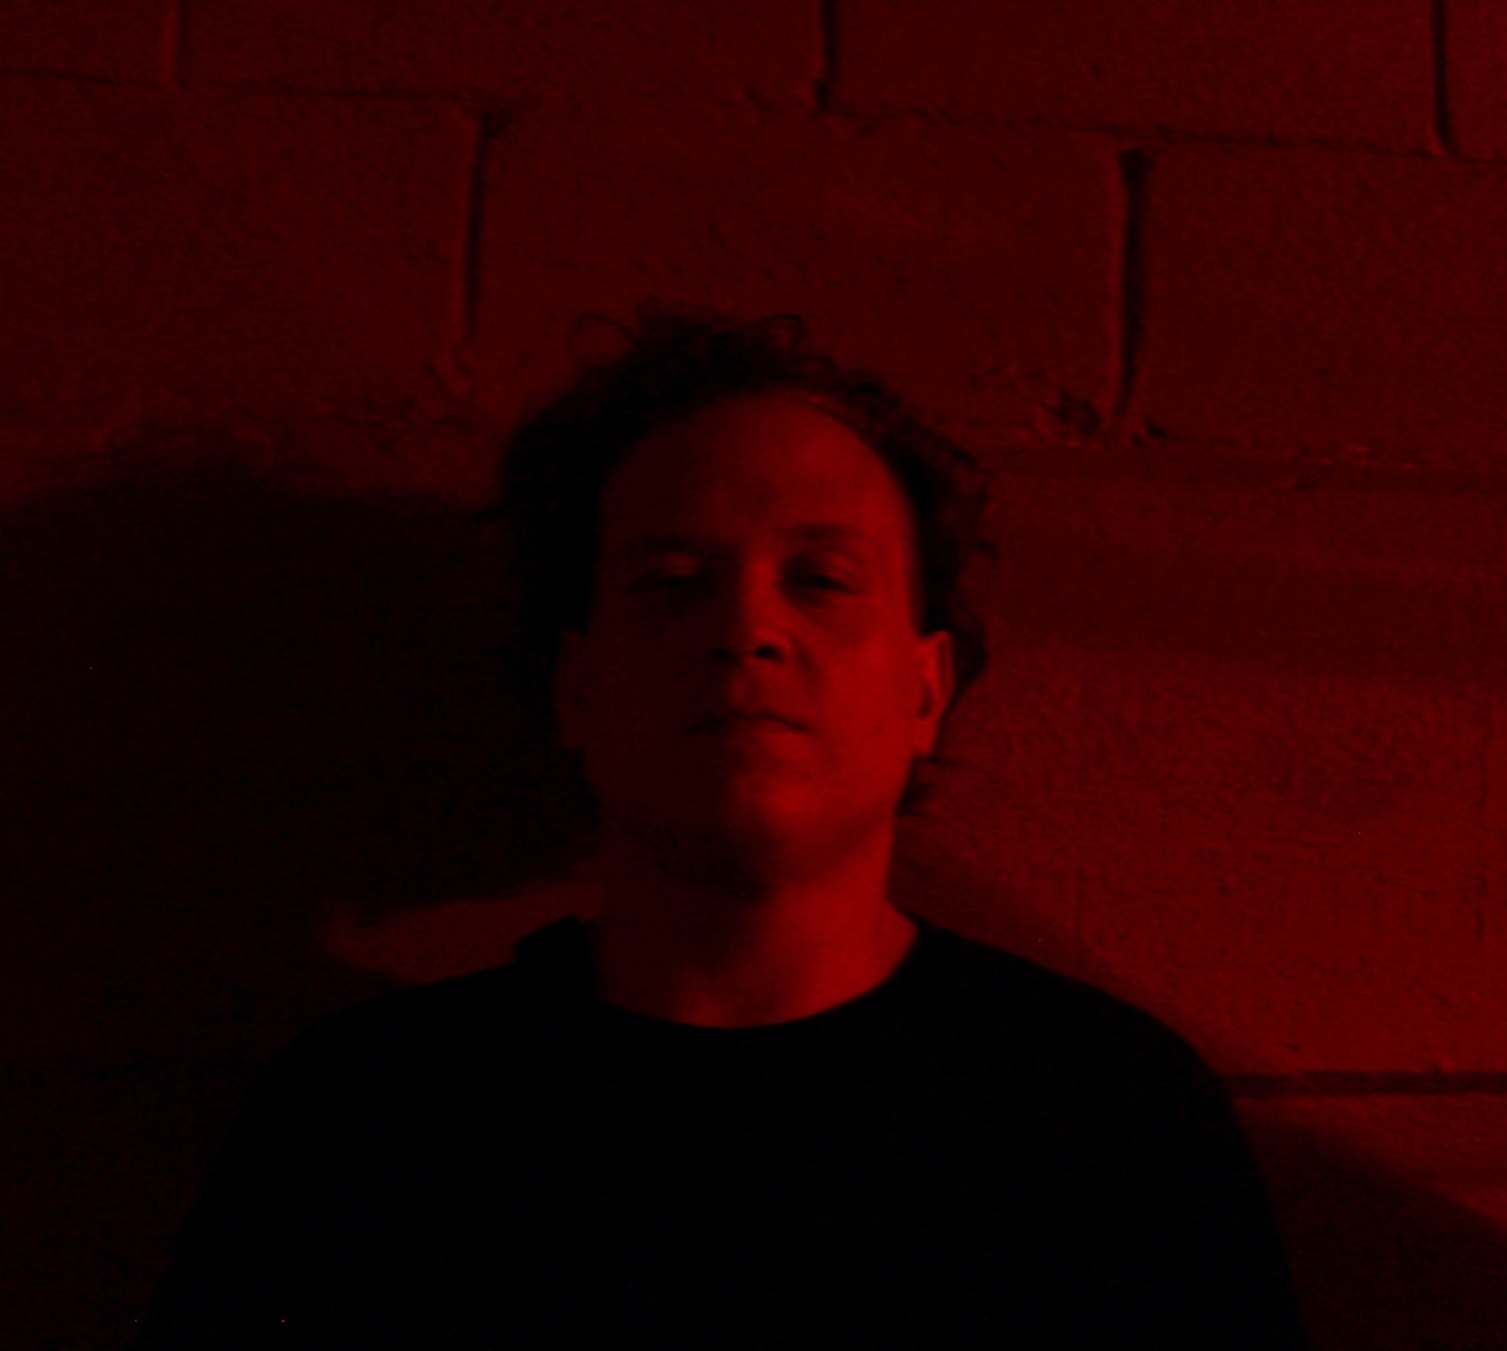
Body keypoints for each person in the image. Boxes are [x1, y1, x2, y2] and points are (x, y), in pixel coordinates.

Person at [133, 306, 1308, 1347]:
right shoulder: (369, 1122)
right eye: (672, 579)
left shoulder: (1106, 1117)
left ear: (925, 688)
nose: (745, 628)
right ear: (575, 686)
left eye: (821, 578)